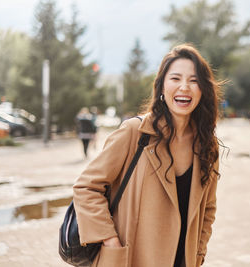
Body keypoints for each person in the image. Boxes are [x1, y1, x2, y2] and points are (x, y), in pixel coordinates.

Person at [72, 44, 221, 267]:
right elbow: (86, 187)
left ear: (203, 90)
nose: (184, 87)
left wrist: (198, 254)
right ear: (161, 86)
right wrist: (110, 240)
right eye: (175, 78)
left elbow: (208, 209)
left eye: (193, 80)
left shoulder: (207, 145)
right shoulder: (135, 133)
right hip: (131, 259)